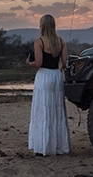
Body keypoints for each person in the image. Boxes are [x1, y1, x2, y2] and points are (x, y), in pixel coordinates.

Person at [27, 14, 70, 156]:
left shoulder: (39, 42)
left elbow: (38, 63)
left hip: (44, 76)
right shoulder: (61, 41)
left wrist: (29, 63)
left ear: (42, 25)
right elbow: (64, 64)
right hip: (56, 76)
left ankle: (43, 147)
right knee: (56, 111)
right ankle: (58, 147)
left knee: (43, 111)